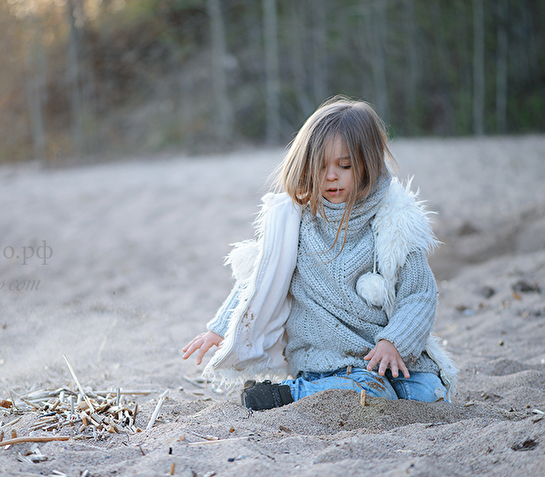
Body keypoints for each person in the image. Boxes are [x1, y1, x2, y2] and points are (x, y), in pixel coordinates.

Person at [182, 96, 458, 411]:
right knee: (366, 392)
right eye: (321, 166)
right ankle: (291, 393)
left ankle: (378, 380)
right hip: (328, 360)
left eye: (345, 165)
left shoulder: (394, 223)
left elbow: (418, 295)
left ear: (368, 164)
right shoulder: (295, 223)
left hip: (388, 355)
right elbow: (259, 280)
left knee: (428, 394)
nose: (331, 176)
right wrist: (220, 329)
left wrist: (394, 342)